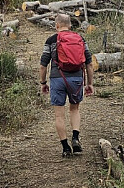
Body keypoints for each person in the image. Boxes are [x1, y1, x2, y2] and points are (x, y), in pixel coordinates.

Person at [38, 13, 95, 156]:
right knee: (74, 109)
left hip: (58, 79)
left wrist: (43, 82)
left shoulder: (51, 40)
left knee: (59, 115)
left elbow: (43, 65)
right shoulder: (80, 38)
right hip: (76, 78)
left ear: (56, 25)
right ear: (70, 25)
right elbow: (89, 63)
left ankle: (65, 148)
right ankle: (75, 138)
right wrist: (89, 84)